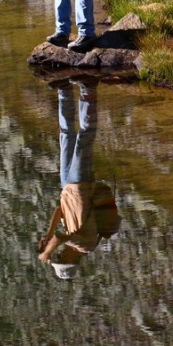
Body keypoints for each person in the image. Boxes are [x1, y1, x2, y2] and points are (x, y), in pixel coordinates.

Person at [37, 78, 99, 280]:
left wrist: (48, 234)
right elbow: (63, 237)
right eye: (61, 258)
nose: (59, 254)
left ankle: (64, 88)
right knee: (84, 138)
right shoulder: (86, 245)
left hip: (67, 186)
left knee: (66, 135)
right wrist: (47, 251)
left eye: (57, 256)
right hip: (81, 186)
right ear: (71, 259)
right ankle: (88, 88)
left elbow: (60, 210)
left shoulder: (70, 237)